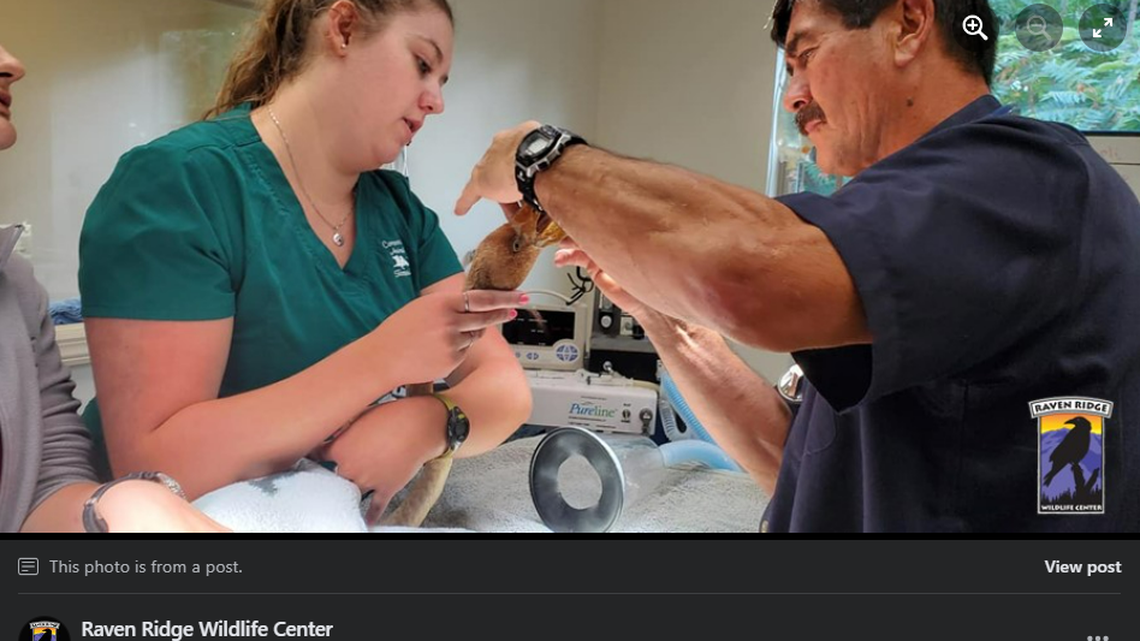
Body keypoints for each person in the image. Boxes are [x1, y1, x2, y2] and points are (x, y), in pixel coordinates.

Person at [454, 0, 1140, 532]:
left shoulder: (1025, 174)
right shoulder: (931, 237)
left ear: (908, 22)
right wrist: (658, 312)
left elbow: (749, 273)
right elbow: (793, 459)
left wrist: (541, 155)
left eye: (807, 53)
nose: (793, 94)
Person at [78, 0, 531, 521]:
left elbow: (504, 388)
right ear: (342, 28)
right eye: (423, 65)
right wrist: (382, 359)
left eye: (443, 80)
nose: (436, 102)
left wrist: (432, 423)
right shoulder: (178, 185)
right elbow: (158, 464)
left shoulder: (401, 213)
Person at [0, 43, 227, 533]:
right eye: (419, 63)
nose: (13, 64)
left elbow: (45, 483)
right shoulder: (165, 180)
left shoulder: (13, 284)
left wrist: (121, 509)